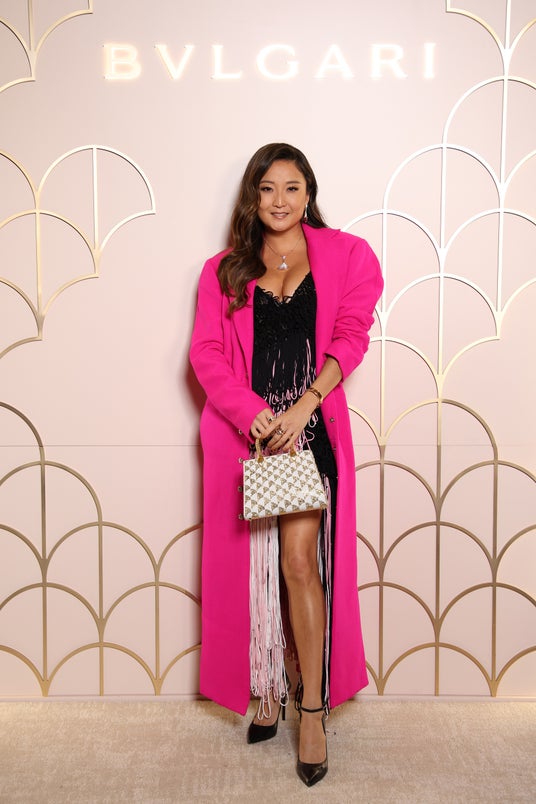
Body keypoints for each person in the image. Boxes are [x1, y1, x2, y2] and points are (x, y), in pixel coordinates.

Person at [189, 143, 383, 786]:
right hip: (247, 436)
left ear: (308, 194)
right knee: (257, 567)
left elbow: (350, 336)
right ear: (253, 195)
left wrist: (303, 408)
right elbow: (206, 353)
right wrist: (252, 414)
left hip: (308, 430)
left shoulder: (347, 255)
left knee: (299, 563)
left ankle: (312, 709)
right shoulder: (223, 270)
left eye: (292, 187)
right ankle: (268, 684)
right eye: (267, 188)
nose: (279, 200)